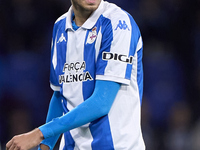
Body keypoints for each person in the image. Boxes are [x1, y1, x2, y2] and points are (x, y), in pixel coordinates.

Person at [6, 0, 145, 149]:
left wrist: (40, 133)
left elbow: (102, 102)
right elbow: (60, 95)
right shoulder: (60, 26)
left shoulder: (118, 23)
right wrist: (45, 145)